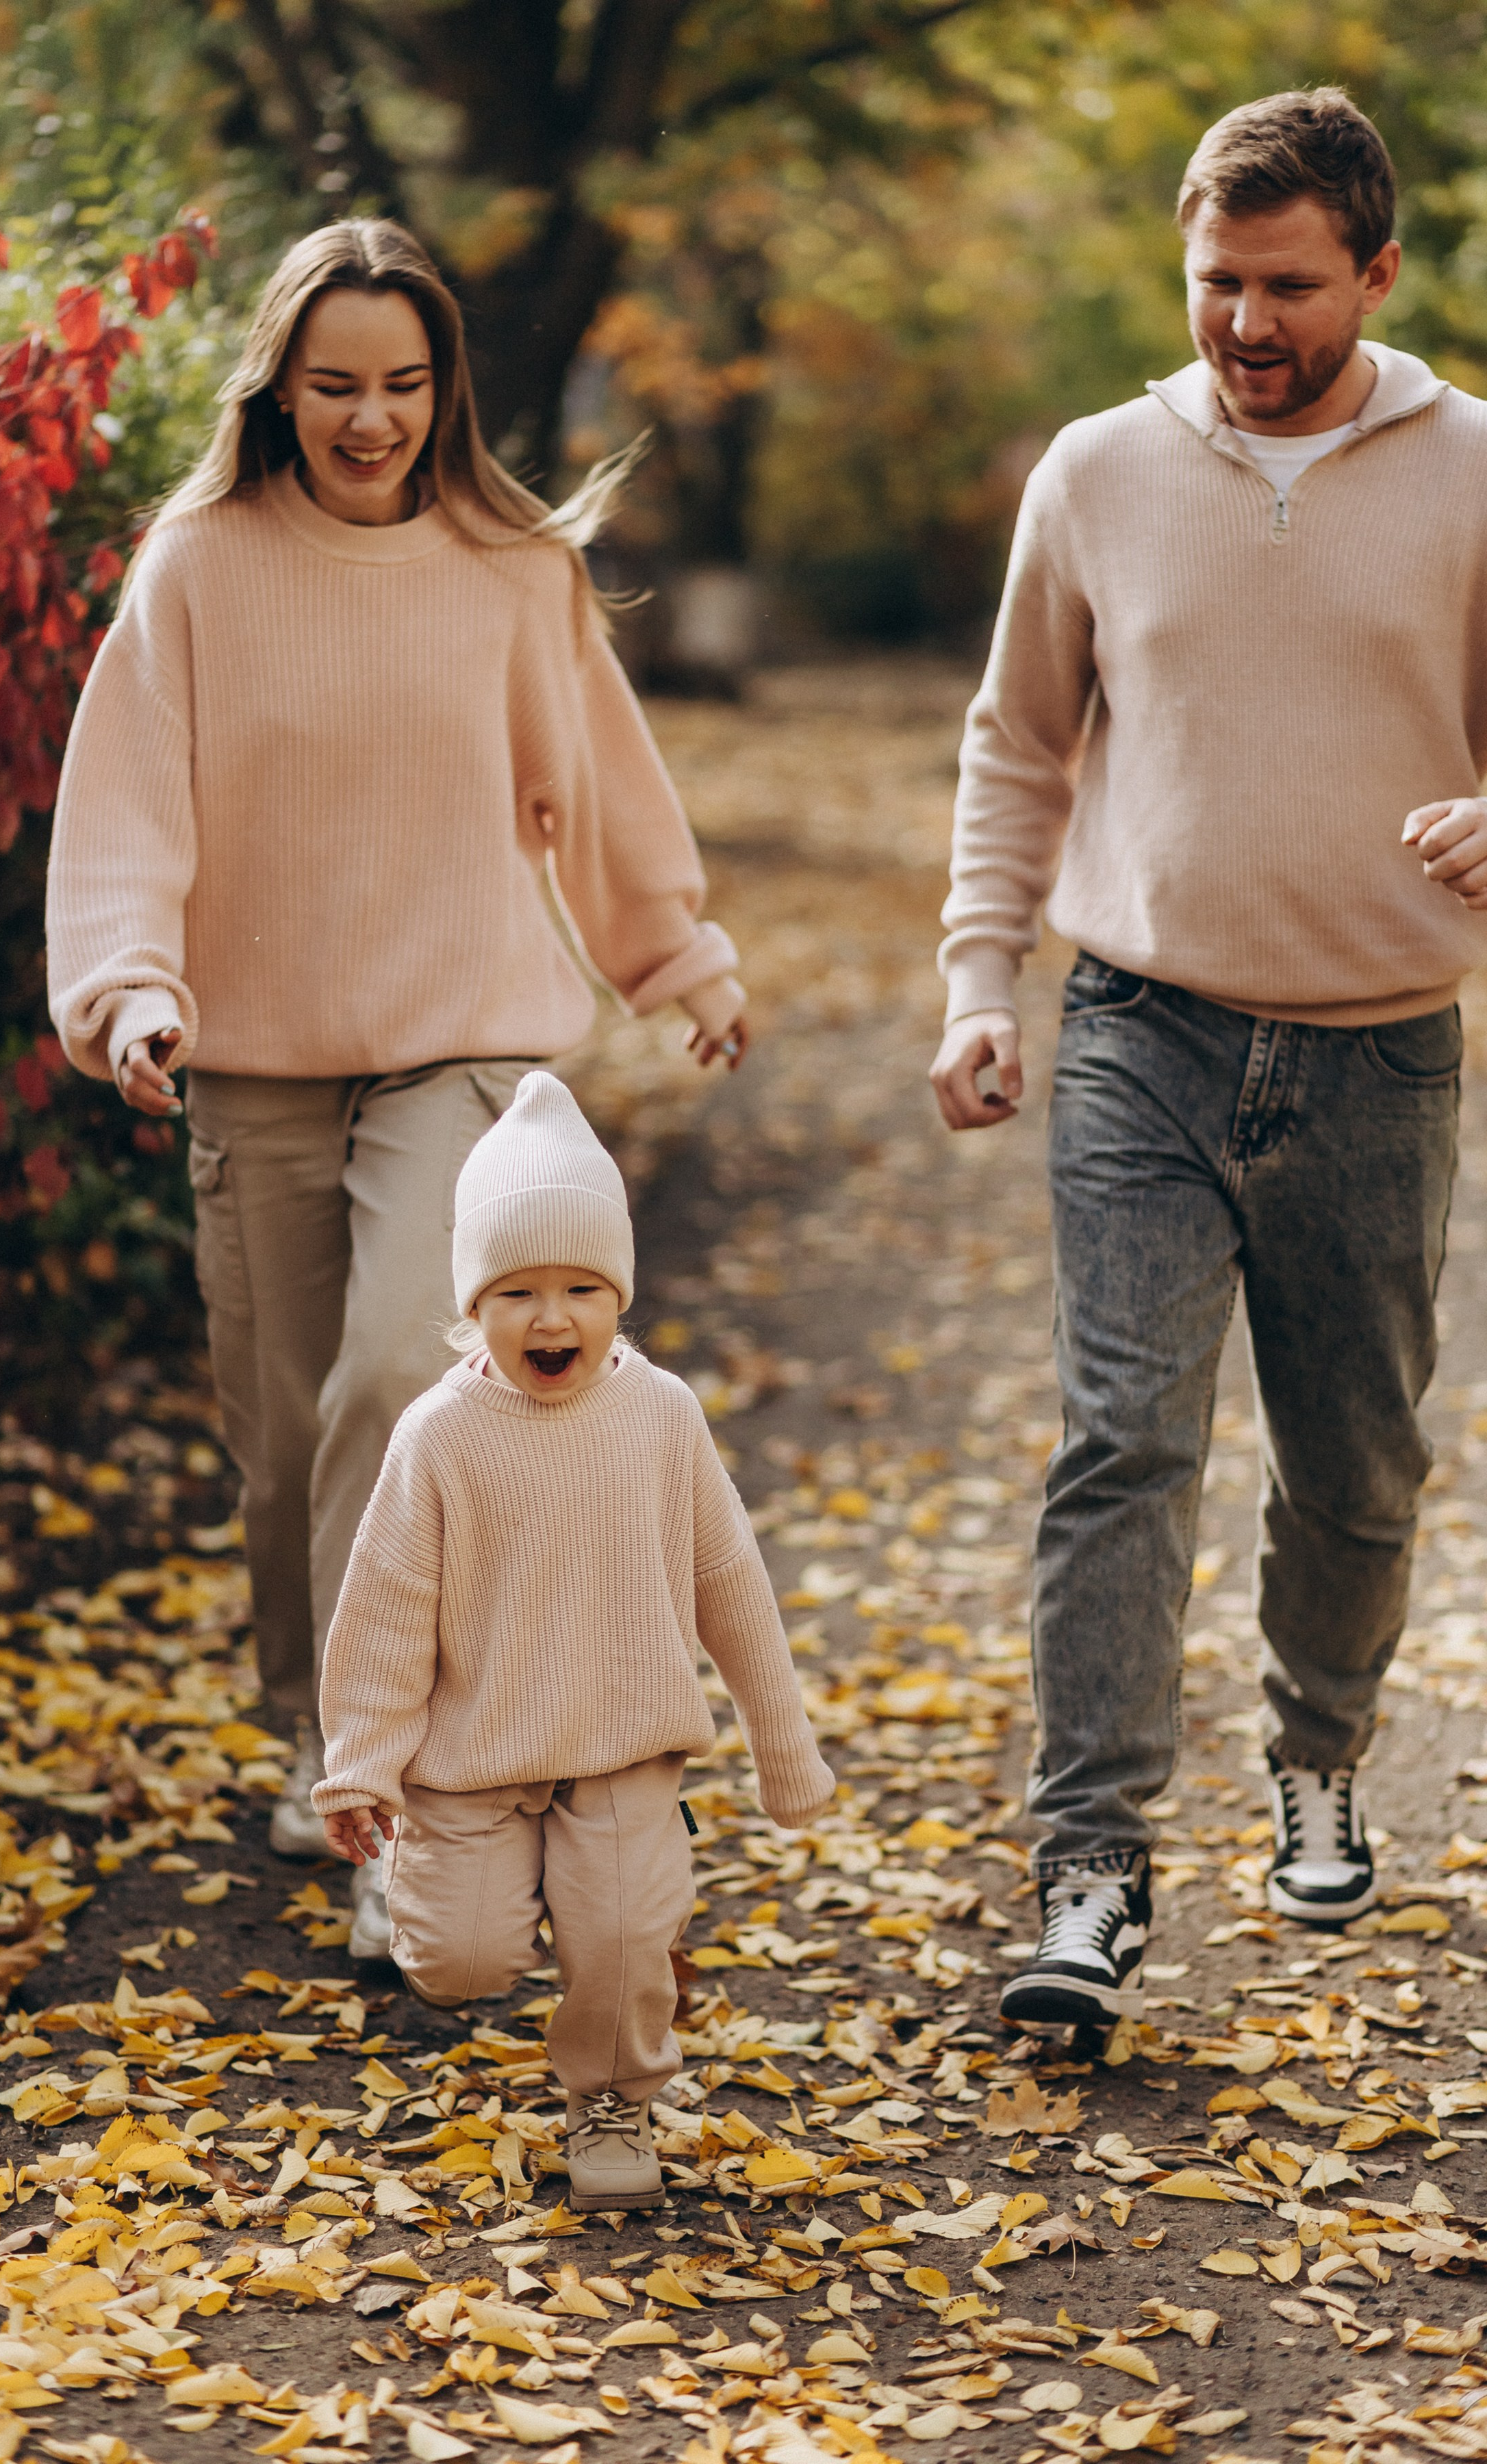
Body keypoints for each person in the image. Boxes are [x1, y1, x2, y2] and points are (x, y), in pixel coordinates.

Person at [45, 221, 748, 1955]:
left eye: (404, 385)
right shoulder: (200, 567)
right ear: (277, 389)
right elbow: (130, 803)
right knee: (286, 1432)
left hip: (464, 1043)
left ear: (447, 392)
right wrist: (132, 990)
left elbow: (600, 789)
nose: (371, 420)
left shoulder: (512, 568)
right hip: (254, 1055)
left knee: (391, 1379)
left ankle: (406, 1797)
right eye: (336, 385)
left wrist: (675, 959)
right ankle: (322, 1738)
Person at [929, 88, 1487, 2029]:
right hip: (1139, 1036)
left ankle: (1319, 1749)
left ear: (1379, 275)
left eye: (1290, 287)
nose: (1247, 324)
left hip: (1379, 1057)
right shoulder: (1096, 471)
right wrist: (979, 980)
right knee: (1122, 1446)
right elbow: (1017, 744)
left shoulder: (1474, 470)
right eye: (1217, 282)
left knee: (1356, 1466)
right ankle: (1089, 1870)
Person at [312, 1073, 835, 2205]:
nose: (553, 1320)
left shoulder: (662, 1417)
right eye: (518, 1293)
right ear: (473, 1303)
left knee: (625, 1936)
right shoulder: (438, 1436)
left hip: (623, 1747)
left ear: (620, 1295)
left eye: (583, 1289)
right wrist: (361, 1765)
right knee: (458, 1964)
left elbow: (730, 1585)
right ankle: (444, 1884)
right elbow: (386, 1609)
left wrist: (783, 1748)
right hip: (472, 1762)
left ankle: (612, 2100)